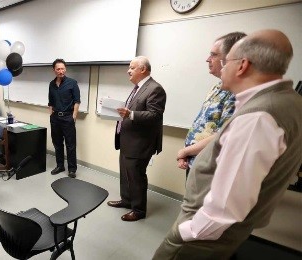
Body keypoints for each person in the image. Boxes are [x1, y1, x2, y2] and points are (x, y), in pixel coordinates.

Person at [153, 30, 302, 259]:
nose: (219, 66)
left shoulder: (258, 117)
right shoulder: (287, 100)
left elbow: (225, 209)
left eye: (225, 60)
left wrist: (185, 233)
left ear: (242, 65)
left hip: (202, 239)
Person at [177, 32, 246, 177]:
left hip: (211, 167)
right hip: (195, 160)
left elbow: (222, 135)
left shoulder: (236, 93)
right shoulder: (217, 87)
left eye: (213, 55)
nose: (208, 59)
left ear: (228, 59)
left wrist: (186, 151)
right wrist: (188, 152)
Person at [106, 56, 166, 222]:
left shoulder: (155, 89)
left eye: (132, 68)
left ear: (143, 69)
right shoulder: (138, 88)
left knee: (136, 176)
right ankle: (126, 201)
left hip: (140, 144)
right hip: (127, 140)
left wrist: (130, 114)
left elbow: (155, 115)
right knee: (126, 174)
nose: (128, 70)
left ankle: (138, 210)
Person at [48, 59, 80, 178]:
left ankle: (72, 169)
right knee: (57, 144)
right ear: (54, 70)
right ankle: (60, 165)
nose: (61, 71)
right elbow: (50, 102)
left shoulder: (72, 83)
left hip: (68, 118)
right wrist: (51, 115)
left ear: (65, 69)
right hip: (55, 118)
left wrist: (74, 116)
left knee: (70, 144)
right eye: (58, 69)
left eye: (63, 69)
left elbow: (77, 101)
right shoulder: (51, 84)